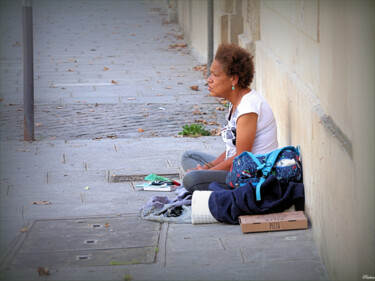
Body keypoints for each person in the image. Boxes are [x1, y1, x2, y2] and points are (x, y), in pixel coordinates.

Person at [181, 43, 278, 192]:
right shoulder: (237, 102)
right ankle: (204, 180)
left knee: (191, 179)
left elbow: (241, 159)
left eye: (215, 75)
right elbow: (231, 151)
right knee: (189, 156)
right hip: (236, 167)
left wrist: (207, 173)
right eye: (210, 73)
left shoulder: (248, 108)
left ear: (233, 79)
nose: (209, 79)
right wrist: (208, 167)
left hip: (250, 177)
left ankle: (205, 182)